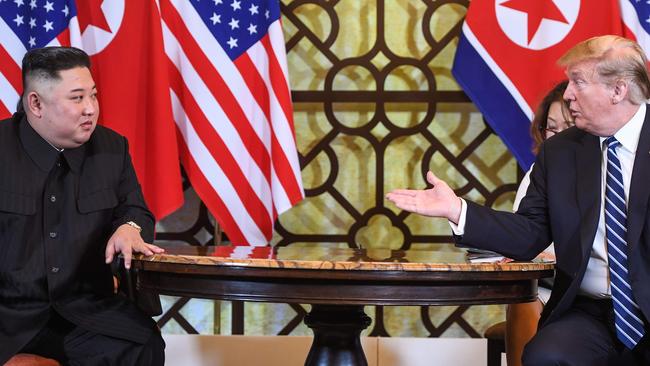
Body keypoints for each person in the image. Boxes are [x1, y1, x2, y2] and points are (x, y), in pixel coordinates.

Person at [387, 35, 650, 365]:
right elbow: (530, 232)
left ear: (618, 90)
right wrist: (457, 210)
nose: (567, 95)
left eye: (578, 82)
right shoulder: (561, 152)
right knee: (545, 356)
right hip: (592, 312)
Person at [0, 47, 165, 365]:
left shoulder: (112, 148)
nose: (91, 109)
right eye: (77, 98)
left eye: (93, 95)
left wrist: (129, 228)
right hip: (9, 316)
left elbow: (135, 209)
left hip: (85, 311)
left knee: (142, 342)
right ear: (35, 103)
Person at [504, 80, 573, 366]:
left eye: (567, 127)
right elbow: (524, 234)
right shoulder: (538, 173)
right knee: (524, 299)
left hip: (592, 286)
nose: (556, 136)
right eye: (551, 127)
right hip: (547, 285)